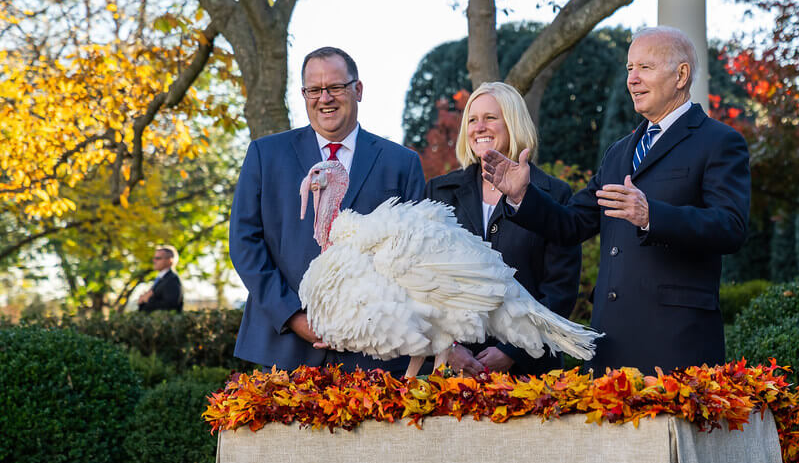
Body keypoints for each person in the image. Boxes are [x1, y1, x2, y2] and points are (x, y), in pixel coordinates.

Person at [481, 26, 750, 374]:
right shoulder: (619, 153)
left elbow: (730, 227)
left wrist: (652, 215)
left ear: (681, 75)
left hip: (676, 342)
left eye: (645, 68)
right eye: (629, 69)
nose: (632, 80)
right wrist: (521, 196)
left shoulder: (719, 141)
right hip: (611, 343)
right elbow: (571, 224)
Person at [230, 46, 426, 373]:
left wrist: (364, 322)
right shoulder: (266, 155)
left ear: (358, 90)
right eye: (314, 90)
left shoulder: (401, 163)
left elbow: (415, 255)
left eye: (335, 87)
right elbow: (244, 242)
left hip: (376, 351)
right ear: (304, 94)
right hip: (285, 349)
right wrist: (292, 315)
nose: (325, 98)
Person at [425, 82, 581, 376]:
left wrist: (512, 351)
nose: (479, 127)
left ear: (513, 122)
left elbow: (560, 291)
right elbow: (424, 283)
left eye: (490, 118)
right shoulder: (439, 193)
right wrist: (449, 346)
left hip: (531, 375)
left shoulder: (554, 194)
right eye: (472, 120)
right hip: (455, 374)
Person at [138, 244, 184, 312]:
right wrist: (141, 302)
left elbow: (171, 307)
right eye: (154, 258)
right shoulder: (160, 279)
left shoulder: (172, 279)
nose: (154, 261)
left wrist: (148, 300)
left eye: (158, 258)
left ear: (170, 260)